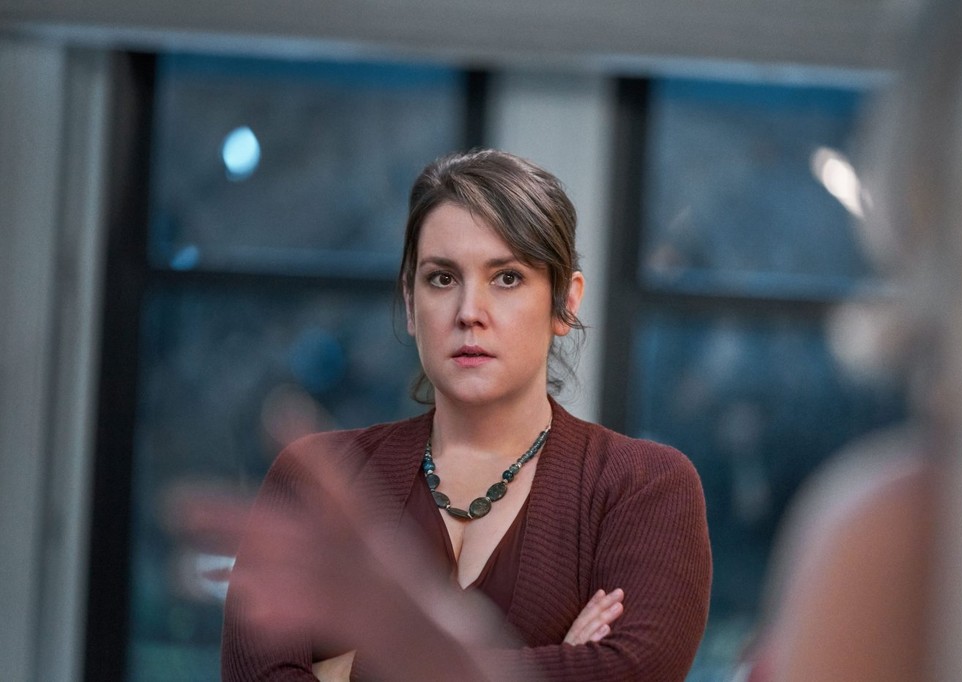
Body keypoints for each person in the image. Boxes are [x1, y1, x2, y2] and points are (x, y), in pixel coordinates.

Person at [217, 149, 712, 681]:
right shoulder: (316, 474)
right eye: (442, 279)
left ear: (565, 303)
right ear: (410, 302)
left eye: (507, 278)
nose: (469, 312)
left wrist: (348, 671)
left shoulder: (644, 485)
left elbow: (631, 671)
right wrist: (552, 665)